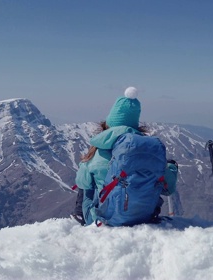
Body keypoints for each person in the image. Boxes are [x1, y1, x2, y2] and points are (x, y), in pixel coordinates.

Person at [72, 87, 178, 226]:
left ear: (108, 124)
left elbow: (82, 182)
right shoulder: (149, 151)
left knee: (87, 185)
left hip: (106, 219)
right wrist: (170, 167)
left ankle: (81, 214)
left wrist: (85, 165)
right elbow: (168, 189)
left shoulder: (97, 153)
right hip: (145, 217)